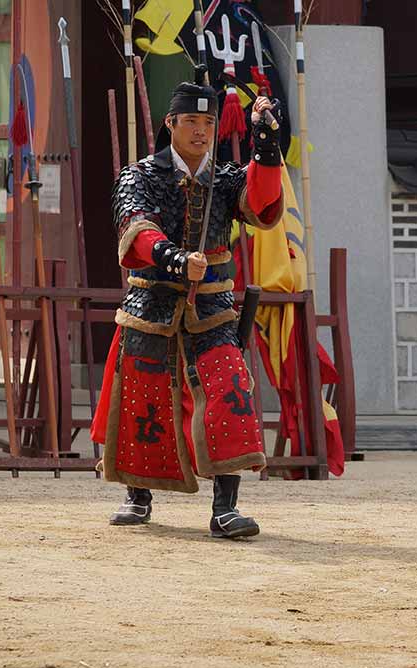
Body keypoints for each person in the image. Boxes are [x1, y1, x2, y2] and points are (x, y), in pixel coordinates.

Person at [91, 77, 284, 539]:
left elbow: (261, 203)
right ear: (170, 123)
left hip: (214, 308)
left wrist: (265, 145)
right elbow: (135, 227)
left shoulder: (227, 176)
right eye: (192, 121)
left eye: (208, 122)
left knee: (230, 391)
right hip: (151, 303)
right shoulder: (140, 174)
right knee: (144, 398)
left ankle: (225, 507)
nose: (201, 131)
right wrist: (174, 258)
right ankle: (138, 495)